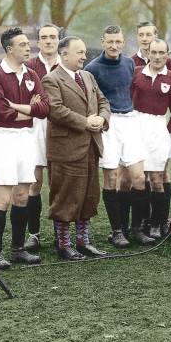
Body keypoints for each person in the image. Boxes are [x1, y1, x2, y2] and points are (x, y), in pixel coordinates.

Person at [0, 28, 49, 269]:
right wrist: (29, 110)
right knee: (3, 197)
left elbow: (45, 109)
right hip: (3, 139)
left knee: (23, 194)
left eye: (27, 44)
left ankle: (19, 248)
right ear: (9, 49)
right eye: (22, 44)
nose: (28, 47)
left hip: (26, 139)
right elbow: (1, 114)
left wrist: (20, 109)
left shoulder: (32, 73)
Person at [42, 36, 110, 260]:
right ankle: (63, 244)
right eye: (79, 52)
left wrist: (102, 118)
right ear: (64, 55)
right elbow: (55, 110)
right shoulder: (51, 79)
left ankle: (83, 242)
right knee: (65, 196)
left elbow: (103, 101)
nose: (84, 56)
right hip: (65, 150)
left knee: (89, 195)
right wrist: (85, 122)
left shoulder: (88, 76)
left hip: (90, 146)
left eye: (84, 52)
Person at [85, 25, 153, 248]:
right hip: (108, 123)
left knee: (139, 178)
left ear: (123, 43)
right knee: (112, 178)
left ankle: (136, 229)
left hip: (130, 120)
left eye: (118, 42)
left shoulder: (129, 62)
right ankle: (117, 231)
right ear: (103, 42)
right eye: (110, 42)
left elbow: (129, 90)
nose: (114, 46)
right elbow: (91, 99)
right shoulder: (92, 68)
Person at [131, 39, 171, 239]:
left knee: (157, 180)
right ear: (148, 53)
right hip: (137, 126)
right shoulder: (136, 73)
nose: (157, 56)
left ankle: (156, 224)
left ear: (167, 54)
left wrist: (165, 130)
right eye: (154, 52)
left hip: (158, 128)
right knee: (138, 178)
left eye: (162, 52)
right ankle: (138, 224)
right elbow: (127, 100)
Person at [24, 24, 61, 251]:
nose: (48, 41)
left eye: (53, 37)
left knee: (58, 183)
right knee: (35, 182)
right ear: (38, 42)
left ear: (59, 40)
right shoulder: (28, 66)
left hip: (60, 127)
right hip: (35, 127)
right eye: (44, 37)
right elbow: (23, 99)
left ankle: (61, 234)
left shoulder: (65, 64)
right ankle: (34, 234)